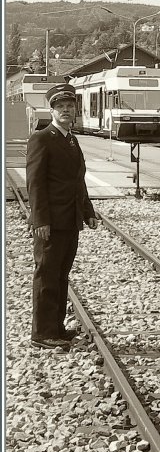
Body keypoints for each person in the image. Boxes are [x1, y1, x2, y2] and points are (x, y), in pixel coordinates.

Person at [26, 83, 102, 350]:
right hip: (50, 223)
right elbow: (35, 184)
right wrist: (40, 221)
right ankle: (42, 333)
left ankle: (56, 328)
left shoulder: (71, 139)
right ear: (51, 110)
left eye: (70, 106)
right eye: (61, 107)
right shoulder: (42, 138)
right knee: (46, 275)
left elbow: (77, 180)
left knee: (61, 275)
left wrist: (88, 212)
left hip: (70, 220)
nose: (67, 110)